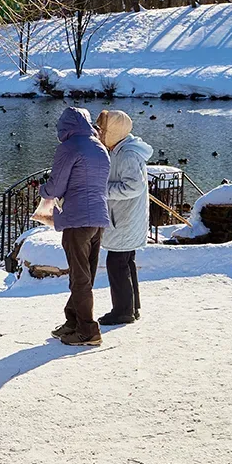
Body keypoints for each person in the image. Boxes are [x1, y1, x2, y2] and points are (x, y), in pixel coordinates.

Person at [39, 107, 111, 346]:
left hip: (77, 218)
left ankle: (88, 331)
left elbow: (56, 187)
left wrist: (43, 191)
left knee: (79, 277)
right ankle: (73, 322)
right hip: (98, 217)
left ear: (65, 126)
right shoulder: (99, 147)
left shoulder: (69, 147)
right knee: (85, 275)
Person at [95, 110, 153, 325]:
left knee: (117, 263)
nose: (99, 132)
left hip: (125, 219)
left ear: (113, 131)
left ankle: (123, 311)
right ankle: (131, 307)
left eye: (102, 129)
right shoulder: (120, 150)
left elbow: (133, 186)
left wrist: (102, 189)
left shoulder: (127, 154)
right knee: (126, 263)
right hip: (125, 217)